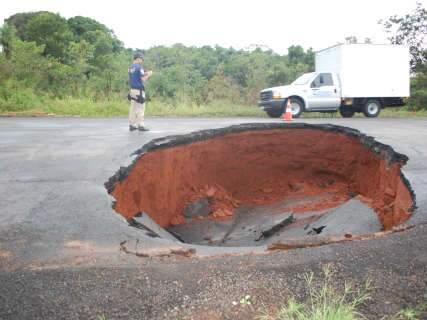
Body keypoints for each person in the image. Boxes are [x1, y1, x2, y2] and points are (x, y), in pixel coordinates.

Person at [128, 52, 153, 131]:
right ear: (138, 59)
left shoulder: (130, 67)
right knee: (140, 108)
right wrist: (149, 75)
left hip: (132, 90)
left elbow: (136, 75)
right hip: (139, 90)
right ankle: (141, 125)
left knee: (133, 108)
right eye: (141, 59)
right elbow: (142, 79)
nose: (142, 61)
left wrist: (145, 73)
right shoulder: (139, 67)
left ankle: (132, 125)